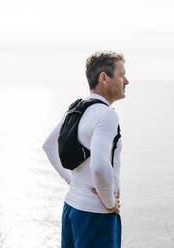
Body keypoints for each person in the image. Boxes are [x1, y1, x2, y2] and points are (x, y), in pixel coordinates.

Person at [42, 50, 129, 248]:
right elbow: (99, 166)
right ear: (104, 78)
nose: (127, 81)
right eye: (122, 75)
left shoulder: (77, 109)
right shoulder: (106, 115)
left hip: (71, 209)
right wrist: (109, 203)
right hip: (97, 216)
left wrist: (71, 180)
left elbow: (48, 146)